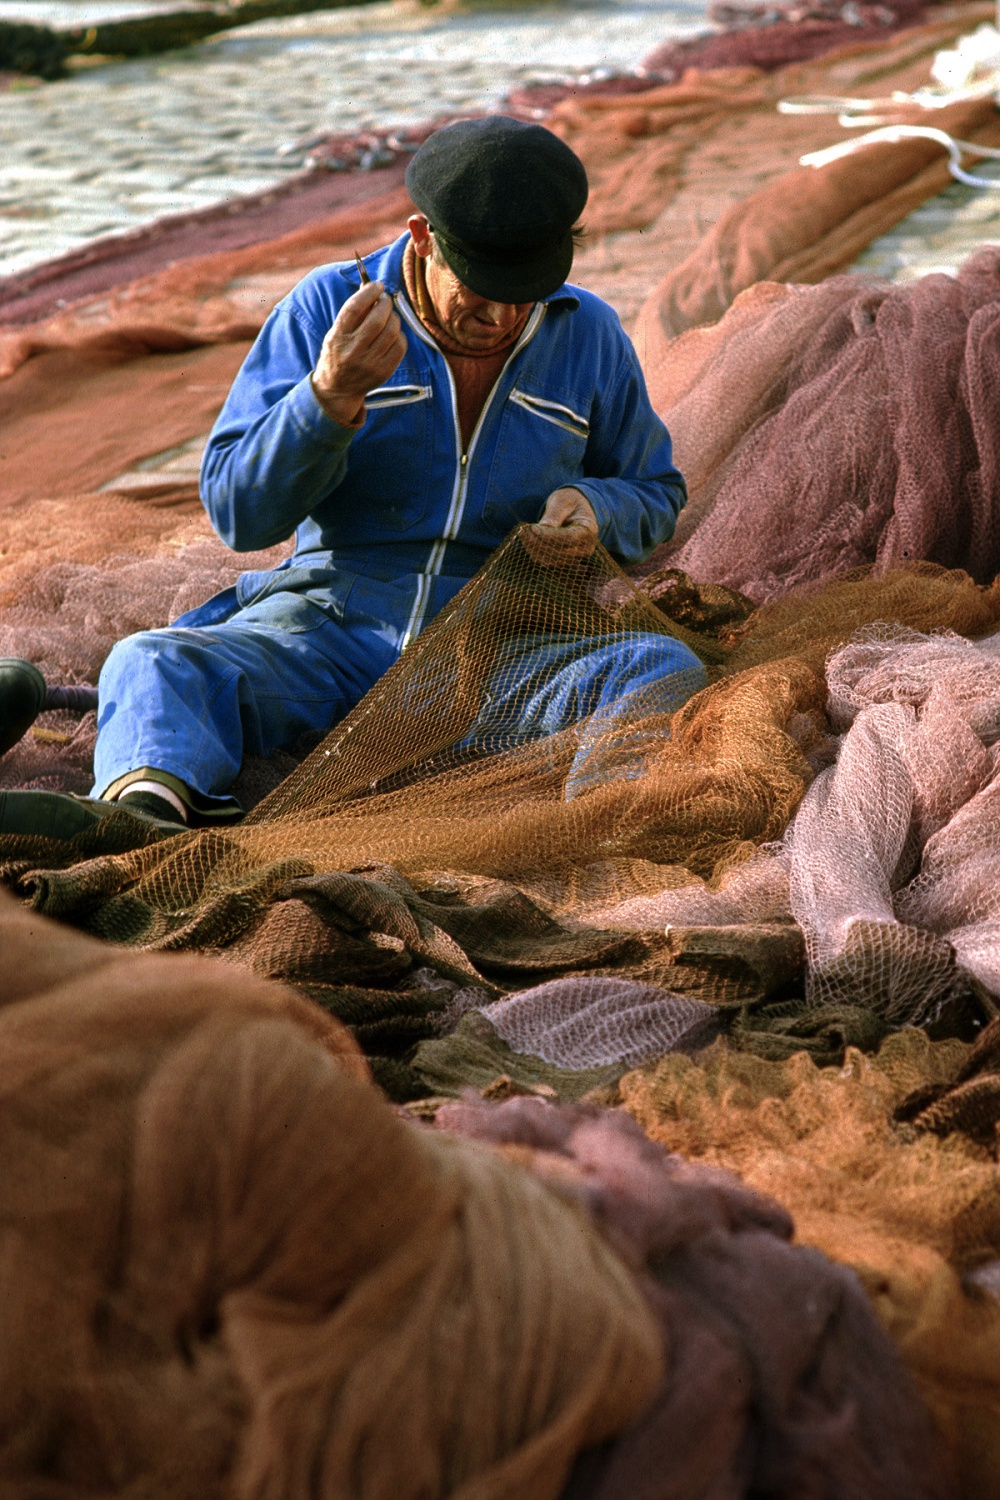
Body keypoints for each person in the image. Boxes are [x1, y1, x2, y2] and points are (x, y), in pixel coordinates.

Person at [1, 116, 703, 837]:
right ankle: (138, 825)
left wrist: (596, 506)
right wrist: (327, 397)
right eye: (480, 285)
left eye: (523, 288)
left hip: (501, 647)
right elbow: (239, 515)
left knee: (658, 666)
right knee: (152, 661)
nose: (499, 314)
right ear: (423, 235)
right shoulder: (324, 308)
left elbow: (655, 491)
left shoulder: (588, 332)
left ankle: (585, 842)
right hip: (328, 632)